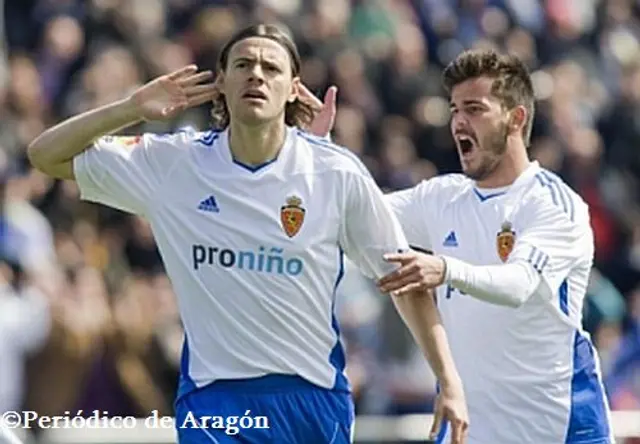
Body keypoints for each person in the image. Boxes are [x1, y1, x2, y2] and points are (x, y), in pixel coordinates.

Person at [27, 24, 468, 443]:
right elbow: (46, 155)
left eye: (271, 67)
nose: (256, 74)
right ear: (221, 82)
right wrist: (129, 109)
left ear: (294, 87)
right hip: (217, 398)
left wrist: (449, 381)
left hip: (311, 398)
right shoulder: (174, 164)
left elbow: (404, 281)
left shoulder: (333, 171)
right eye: (242, 65)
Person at [319, 49, 614, 443]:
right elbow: (354, 210)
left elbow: (518, 284)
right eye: (455, 109)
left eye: (474, 108)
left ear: (516, 118)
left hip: (556, 426)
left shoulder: (552, 204)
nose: (458, 121)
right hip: (468, 426)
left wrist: (445, 269)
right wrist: (319, 153)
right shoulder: (442, 198)